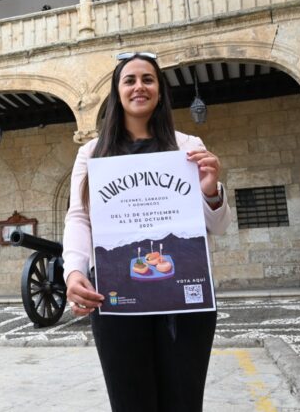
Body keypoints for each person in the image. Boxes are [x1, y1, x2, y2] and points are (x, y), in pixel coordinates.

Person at [63, 52, 232, 412]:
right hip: (116, 297)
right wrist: (74, 271)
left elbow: (217, 225)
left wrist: (210, 188)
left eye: (148, 79)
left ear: (159, 91)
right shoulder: (92, 152)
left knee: (184, 402)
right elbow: (79, 217)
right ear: (117, 91)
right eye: (130, 80)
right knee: (130, 403)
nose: (139, 86)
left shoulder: (189, 147)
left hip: (185, 302)